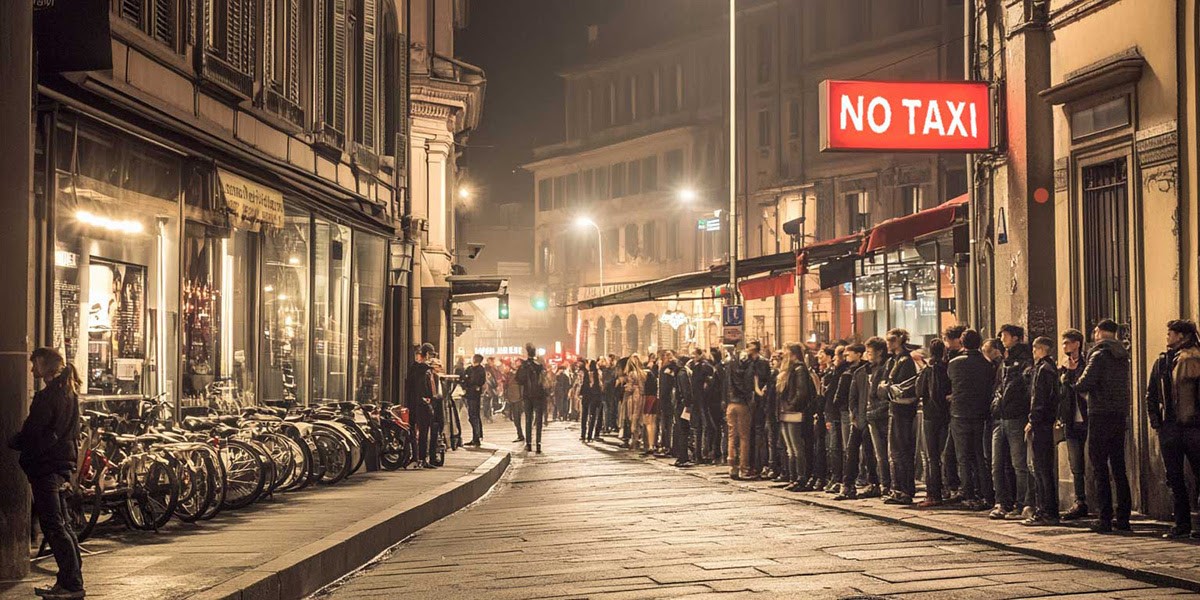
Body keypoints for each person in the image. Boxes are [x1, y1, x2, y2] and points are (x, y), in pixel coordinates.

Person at [9, 348, 84, 599]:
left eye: (35, 366)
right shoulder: (69, 392)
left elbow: (34, 430)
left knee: (54, 525)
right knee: (62, 524)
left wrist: (16, 442)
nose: (32, 371)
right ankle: (70, 581)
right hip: (61, 465)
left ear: (45, 366)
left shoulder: (47, 397)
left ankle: (71, 584)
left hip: (46, 466)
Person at [1070, 319, 1132, 533]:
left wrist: (1072, 375)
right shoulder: (1123, 356)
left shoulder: (1098, 355)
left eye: (1095, 330)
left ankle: (1104, 518)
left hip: (1099, 414)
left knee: (1099, 466)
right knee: (1119, 467)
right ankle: (1123, 517)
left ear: (1099, 332)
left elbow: (1083, 384)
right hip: (1118, 414)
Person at [1146, 319, 1200, 539]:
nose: (1167, 337)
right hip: (1170, 427)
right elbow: (1151, 394)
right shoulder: (1162, 362)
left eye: (1171, 333)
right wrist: (1157, 422)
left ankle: (1196, 525)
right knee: (1174, 477)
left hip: (1194, 427)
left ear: (1182, 336)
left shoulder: (1195, 358)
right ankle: (1181, 523)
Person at [990, 324, 1035, 521]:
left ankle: (1023, 503)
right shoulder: (1003, 361)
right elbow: (998, 385)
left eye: (1005, 335)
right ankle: (1002, 502)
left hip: (1016, 417)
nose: (1001, 338)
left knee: (1019, 464)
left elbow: (1025, 388)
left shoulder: (1024, 360)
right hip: (1000, 417)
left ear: (1016, 337)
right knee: (997, 463)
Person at [948, 329, 995, 510]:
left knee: (963, 457)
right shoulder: (986, 364)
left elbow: (951, 381)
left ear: (962, 342)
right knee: (979, 455)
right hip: (980, 413)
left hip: (959, 413)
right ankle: (986, 494)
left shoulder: (954, 363)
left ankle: (969, 494)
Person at [834, 342, 879, 500]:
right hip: (859, 418)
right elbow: (852, 396)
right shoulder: (859, 373)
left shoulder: (877, 371)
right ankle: (848, 485)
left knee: (869, 452)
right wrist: (853, 414)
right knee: (852, 451)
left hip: (871, 418)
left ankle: (874, 483)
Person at [1024, 336, 1060, 526]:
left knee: (1041, 468)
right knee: (1043, 468)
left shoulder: (1043, 370)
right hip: (1046, 422)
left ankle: (1045, 510)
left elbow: (1039, 398)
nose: (1033, 352)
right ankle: (1048, 509)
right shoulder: (1050, 368)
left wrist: (1032, 420)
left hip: (1041, 424)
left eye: (1034, 348)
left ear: (1040, 349)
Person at [884, 329, 919, 505]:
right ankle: (898, 488)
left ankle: (904, 490)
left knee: (901, 451)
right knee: (896, 451)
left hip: (903, 411)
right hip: (895, 409)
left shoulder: (905, 360)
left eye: (892, 340)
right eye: (887, 339)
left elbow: (904, 386)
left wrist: (887, 388)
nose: (888, 343)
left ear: (901, 340)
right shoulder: (895, 360)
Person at [1057, 328, 1089, 521]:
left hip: (1088, 418)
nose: (1064, 347)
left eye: (1067, 343)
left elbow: (1083, 386)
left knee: (1093, 461)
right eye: (1063, 343)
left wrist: (1070, 373)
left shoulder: (1087, 364)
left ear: (1077, 344)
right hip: (1070, 420)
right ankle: (1080, 501)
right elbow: (1060, 392)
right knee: (1075, 463)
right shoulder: (1062, 366)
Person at [917, 338, 951, 507]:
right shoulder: (947, 367)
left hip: (930, 415)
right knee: (943, 455)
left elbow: (919, 390)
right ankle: (946, 488)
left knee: (931, 457)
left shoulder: (928, 369)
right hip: (945, 414)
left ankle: (933, 494)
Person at [778, 344, 817, 491]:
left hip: (794, 412)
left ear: (793, 354)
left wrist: (790, 406)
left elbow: (802, 393)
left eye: (786, 352)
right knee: (790, 448)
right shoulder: (791, 370)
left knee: (796, 447)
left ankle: (800, 478)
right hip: (787, 412)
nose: (783, 355)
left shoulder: (799, 370)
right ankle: (793, 478)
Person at [862, 337, 892, 499]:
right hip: (872, 415)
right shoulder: (870, 369)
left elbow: (882, 395)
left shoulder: (885, 368)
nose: (868, 355)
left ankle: (887, 484)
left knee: (885, 453)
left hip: (881, 415)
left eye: (870, 352)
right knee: (878, 453)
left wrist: (871, 412)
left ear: (879, 352)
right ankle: (882, 483)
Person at [405, 343, 437, 469]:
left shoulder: (414, 368)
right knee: (423, 432)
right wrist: (426, 399)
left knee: (414, 431)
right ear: (427, 354)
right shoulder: (424, 369)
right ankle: (421, 459)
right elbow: (423, 387)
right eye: (431, 354)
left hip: (412, 404)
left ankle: (416, 457)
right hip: (422, 404)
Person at [515, 343, 549, 453]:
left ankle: (529, 444)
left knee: (528, 419)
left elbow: (518, 380)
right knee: (538, 420)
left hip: (527, 395)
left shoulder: (523, 366)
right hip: (539, 395)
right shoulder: (539, 366)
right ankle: (538, 443)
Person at [620, 354, 648, 452]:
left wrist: (625, 387)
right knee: (639, 417)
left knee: (632, 417)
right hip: (642, 396)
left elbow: (630, 388)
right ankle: (639, 438)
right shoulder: (643, 373)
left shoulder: (631, 374)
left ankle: (634, 440)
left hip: (633, 397)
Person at [463, 354, 487, 446]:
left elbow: (475, 381)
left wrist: (467, 383)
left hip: (473, 395)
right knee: (474, 415)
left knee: (473, 415)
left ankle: (476, 437)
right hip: (472, 394)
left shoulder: (476, 370)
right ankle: (476, 436)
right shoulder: (473, 369)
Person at [642, 354, 660, 456]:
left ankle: (649, 445)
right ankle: (653, 444)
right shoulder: (654, 376)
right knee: (653, 423)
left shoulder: (646, 374)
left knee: (648, 422)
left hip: (648, 398)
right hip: (654, 397)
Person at [582, 360, 604, 442]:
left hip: (588, 396)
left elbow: (586, 385)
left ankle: (585, 435)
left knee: (588, 415)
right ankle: (591, 435)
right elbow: (601, 385)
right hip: (596, 396)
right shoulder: (598, 373)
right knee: (595, 416)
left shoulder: (587, 374)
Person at [504, 360, 526, 443]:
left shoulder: (517, 375)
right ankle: (520, 434)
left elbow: (521, 387)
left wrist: (521, 397)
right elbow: (506, 387)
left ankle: (520, 435)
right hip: (511, 398)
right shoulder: (508, 376)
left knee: (517, 418)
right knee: (513, 417)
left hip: (517, 399)